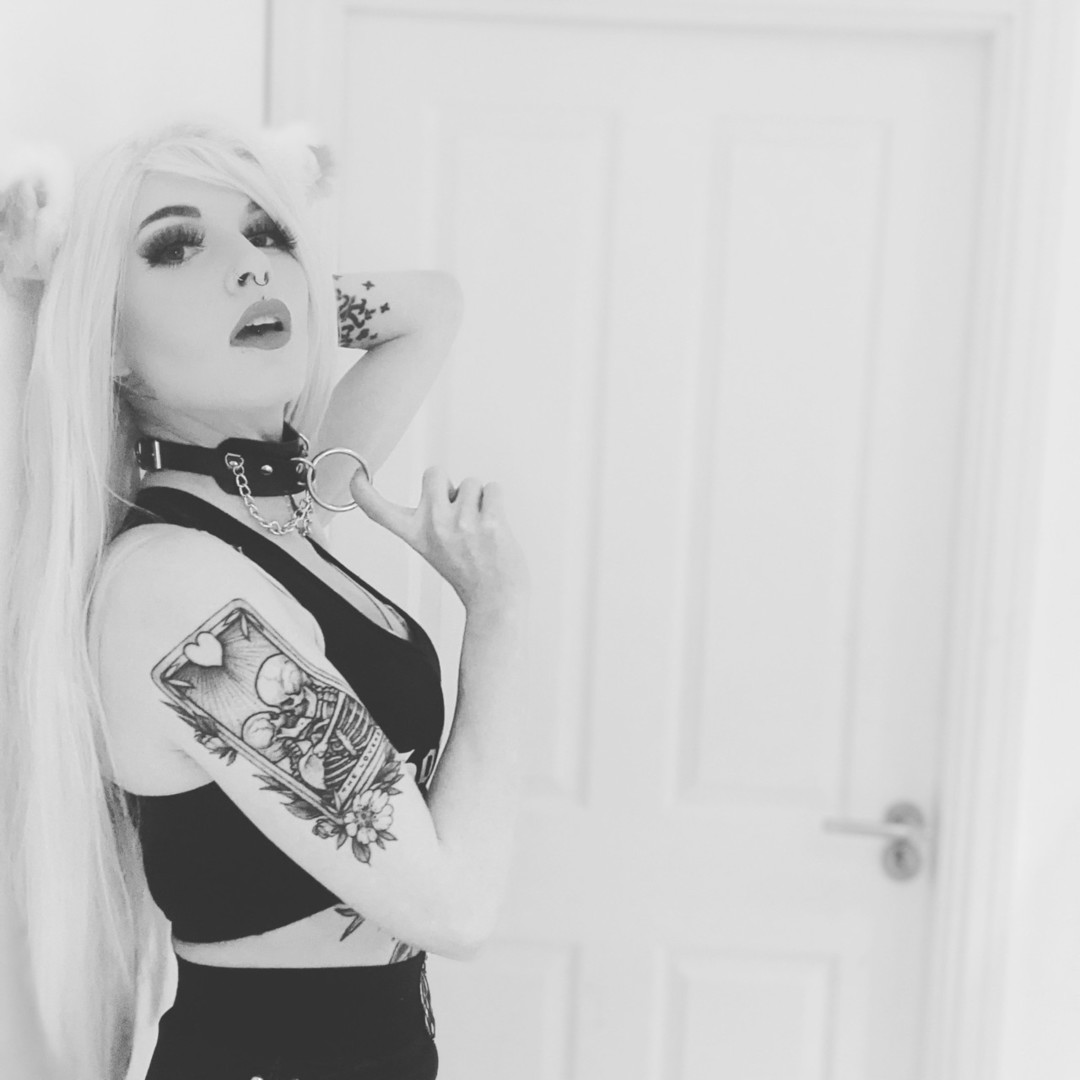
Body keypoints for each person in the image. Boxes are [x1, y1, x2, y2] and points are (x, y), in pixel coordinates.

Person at [0, 121, 528, 1080]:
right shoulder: (178, 590)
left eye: (268, 233)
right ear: (105, 340)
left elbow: (431, 308)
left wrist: (266, 292)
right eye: (176, 246)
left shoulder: (277, 509)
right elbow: (457, 910)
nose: (249, 265)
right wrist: (497, 617)